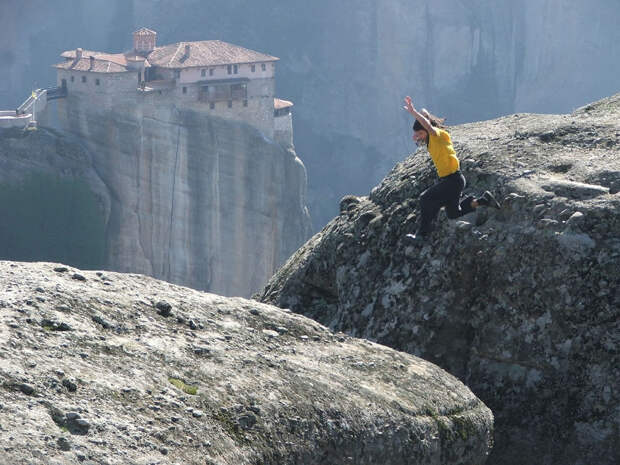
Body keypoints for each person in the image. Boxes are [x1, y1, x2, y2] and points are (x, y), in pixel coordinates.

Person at [403, 96, 500, 243]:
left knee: (425, 199)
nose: (419, 137)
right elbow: (424, 122)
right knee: (454, 213)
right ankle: (483, 200)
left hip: (453, 180)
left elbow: (427, 125)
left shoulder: (436, 135)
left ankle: (422, 235)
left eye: (420, 134)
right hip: (453, 180)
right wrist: (419, 126)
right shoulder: (430, 140)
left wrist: (414, 112)